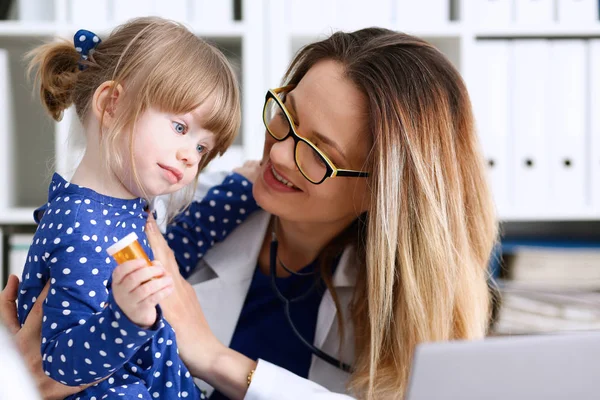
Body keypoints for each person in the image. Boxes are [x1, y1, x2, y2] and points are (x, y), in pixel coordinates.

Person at [0, 27, 498, 399]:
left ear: (385, 194)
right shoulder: (169, 210)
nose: (278, 154)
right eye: (287, 116)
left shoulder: (407, 294)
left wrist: (218, 360)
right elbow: (59, 349)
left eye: (319, 153)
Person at [15, 16, 259, 400]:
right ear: (112, 104)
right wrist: (127, 319)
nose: (189, 157)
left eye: (201, 148)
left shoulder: (121, 209)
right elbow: (60, 365)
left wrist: (238, 192)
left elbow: (168, 261)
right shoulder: (82, 227)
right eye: (180, 127)